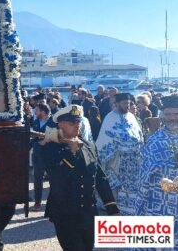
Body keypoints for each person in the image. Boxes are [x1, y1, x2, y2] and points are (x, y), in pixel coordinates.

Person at [40, 105, 119, 251]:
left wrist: (111, 206)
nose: (77, 125)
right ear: (60, 124)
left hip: (88, 211)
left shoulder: (89, 145)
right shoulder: (49, 148)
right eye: (71, 123)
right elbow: (59, 177)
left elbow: (100, 177)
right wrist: (72, 151)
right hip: (65, 213)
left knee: (88, 247)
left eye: (78, 122)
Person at [135, 94, 178, 249]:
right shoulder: (155, 140)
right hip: (161, 202)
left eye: (176, 114)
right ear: (163, 116)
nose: (172, 118)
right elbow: (143, 177)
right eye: (168, 114)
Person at [96, 93, 143, 215]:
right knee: (116, 188)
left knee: (133, 187)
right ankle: (116, 212)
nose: (127, 106)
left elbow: (139, 134)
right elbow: (104, 140)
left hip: (133, 160)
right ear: (116, 104)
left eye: (129, 103)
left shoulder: (132, 117)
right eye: (124, 103)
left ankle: (132, 210)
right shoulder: (110, 117)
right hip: (117, 160)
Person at [30, 103, 51, 211]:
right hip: (38, 155)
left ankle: (54, 203)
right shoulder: (36, 121)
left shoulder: (53, 122)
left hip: (50, 156)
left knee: (54, 180)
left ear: (43, 112)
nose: (35, 112)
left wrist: (45, 140)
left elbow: (57, 137)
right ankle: (37, 202)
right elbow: (33, 138)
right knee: (38, 180)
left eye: (37, 110)